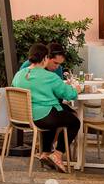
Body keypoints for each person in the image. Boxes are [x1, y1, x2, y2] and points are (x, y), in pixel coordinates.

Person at [11, 43, 80, 174]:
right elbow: (69, 94)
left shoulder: (19, 75)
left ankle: (45, 153)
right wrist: (77, 89)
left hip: (21, 117)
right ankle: (57, 154)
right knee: (74, 121)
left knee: (55, 117)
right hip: (43, 117)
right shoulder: (50, 77)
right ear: (45, 58)